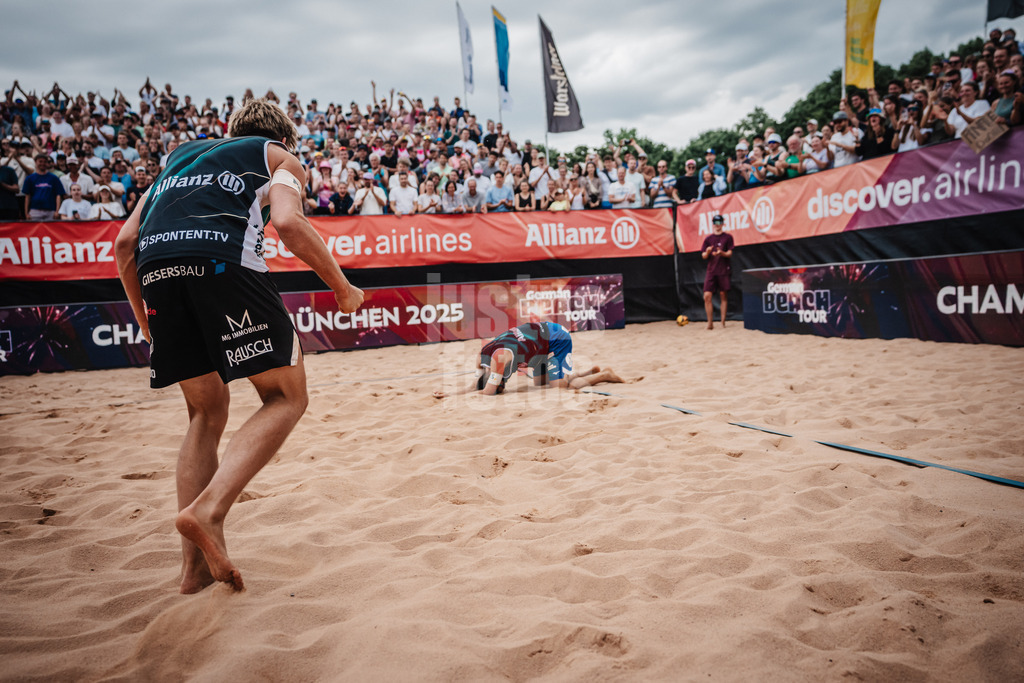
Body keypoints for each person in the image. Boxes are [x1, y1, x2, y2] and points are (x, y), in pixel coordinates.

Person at [113, 98, 364, 594]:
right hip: (222, 263)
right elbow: (290, 224)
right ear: (286, 139)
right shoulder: (277, 156)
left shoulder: (179, 158)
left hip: (157, 273)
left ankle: (193, 572)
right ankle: (208, 509)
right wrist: (341, 287)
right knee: (286, 397)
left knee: (204, 414)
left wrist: (145, 321)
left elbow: (125, 242)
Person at [435, 322, 624, 397]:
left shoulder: (499, 360)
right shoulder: (481, 357)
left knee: (561, 388)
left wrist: (479, 392)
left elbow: (488, 391)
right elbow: (473, 385)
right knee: (540, 382)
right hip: (538, 341)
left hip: (555, 338)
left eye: (503, 384)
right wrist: (449, 394)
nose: (505, 384)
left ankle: (604, 375)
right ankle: (586, 373)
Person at [701, 214, 733, 330]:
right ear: (713, 224)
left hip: (723, 269)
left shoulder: (728, 237)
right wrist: (708, 252)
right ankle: (710, 323)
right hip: (711, 270)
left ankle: (722, 322)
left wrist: (722, 253)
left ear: (723, 224)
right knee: (707, 296)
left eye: (719, 222)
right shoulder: (708, 239)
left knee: (723, 295)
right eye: (715, 222)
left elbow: (730, 253)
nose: (717, 225)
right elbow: (703, 255)